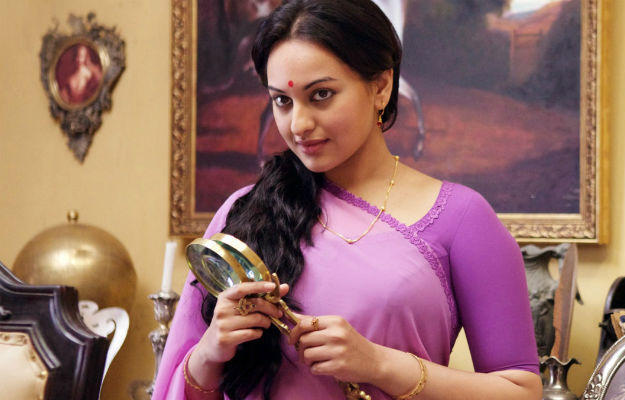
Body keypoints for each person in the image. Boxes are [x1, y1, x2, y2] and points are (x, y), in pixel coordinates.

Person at [153, 0, 542, 399]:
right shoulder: (247, 214)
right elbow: (183, 385)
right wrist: (210, 353)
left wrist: (379, 364)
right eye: (283, 101)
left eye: (321, 94)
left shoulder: (462, 220)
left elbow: (522, 392)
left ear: (381, 87)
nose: (299, 124)